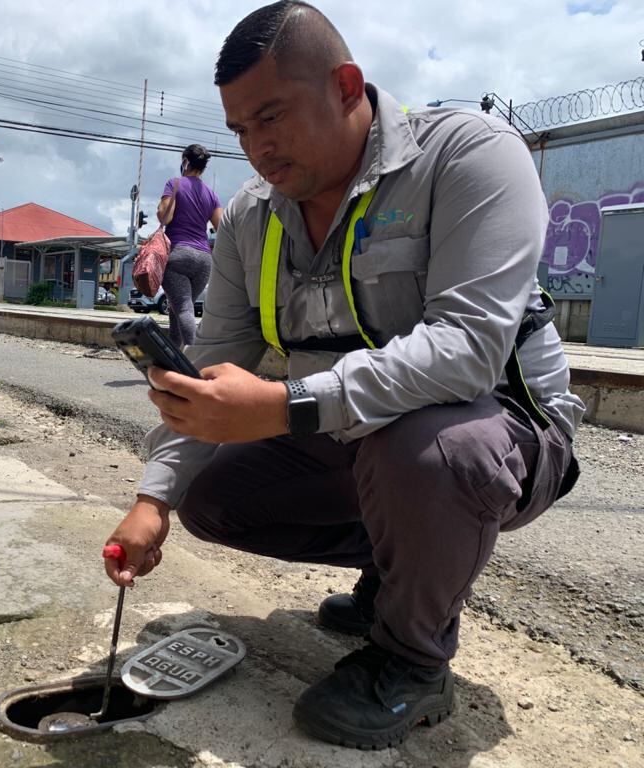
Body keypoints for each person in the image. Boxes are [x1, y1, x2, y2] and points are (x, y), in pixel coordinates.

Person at [104, 0, 584, 751]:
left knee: (427, 449)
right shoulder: (253, 217)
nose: (257, 147)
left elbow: (469, 349)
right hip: (353, 434)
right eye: (240, 130)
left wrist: (284, 403)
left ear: (347, 86)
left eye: (272, 117)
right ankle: (397, 574)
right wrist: (151, 500)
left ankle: (413, 659)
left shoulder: (468, 156)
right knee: (211, 496)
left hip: (503, 429)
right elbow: (213, 360)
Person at [156, 144, 223, 347]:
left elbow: (165, 217)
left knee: (184, 309)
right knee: (178, 310)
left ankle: (197, 359)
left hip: (178, 256)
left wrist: (164, 205)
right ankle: (174, 359)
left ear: (185, 161)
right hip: (204, 261)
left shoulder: (174, 183)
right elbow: (222, 228)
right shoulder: (211, 194)